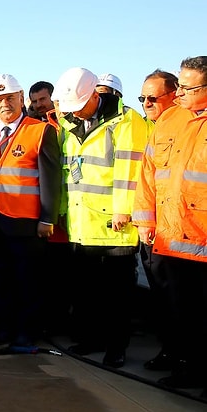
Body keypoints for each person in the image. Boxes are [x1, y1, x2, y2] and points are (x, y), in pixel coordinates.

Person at [54, 67, 148, 367]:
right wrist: (60, 210)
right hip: (81, 223)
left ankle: (116, 347)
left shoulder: (126, 121)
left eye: (80, 106)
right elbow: (66, 171)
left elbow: (131, 172)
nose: (75, 112)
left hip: (114, 225)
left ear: (96, 94)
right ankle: (92, 338)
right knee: (86, 290)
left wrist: (124, 209)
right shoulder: (69, 124)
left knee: (117, 293)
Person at [0, 74, 61, 344]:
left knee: (27, 281)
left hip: (25, 221)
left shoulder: (40, 130)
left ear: (21, 98)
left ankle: (26, 332)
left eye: (9, 98)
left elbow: (50, 177)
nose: (4, 104)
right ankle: (2, 328)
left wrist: (47, 218)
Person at [134, 57, 207, 392]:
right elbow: (148, 176)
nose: (179, 94)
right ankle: (188, 367)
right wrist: (145, 221)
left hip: (202, 239)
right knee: (184, 312)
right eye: (179, 86)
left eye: (188, 88)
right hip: (172, 236)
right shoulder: (169, 121)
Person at [133, 68, 178, 372]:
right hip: (158, 233)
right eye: (142, 98)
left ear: (174, 94)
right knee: (165, 301)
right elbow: (147, 181)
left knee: (184, 304)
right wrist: (145, 223)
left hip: (185, 233)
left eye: (153, 97)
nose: (146, 103)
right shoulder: (154, 128)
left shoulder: (186, 126)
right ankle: (171, 352)